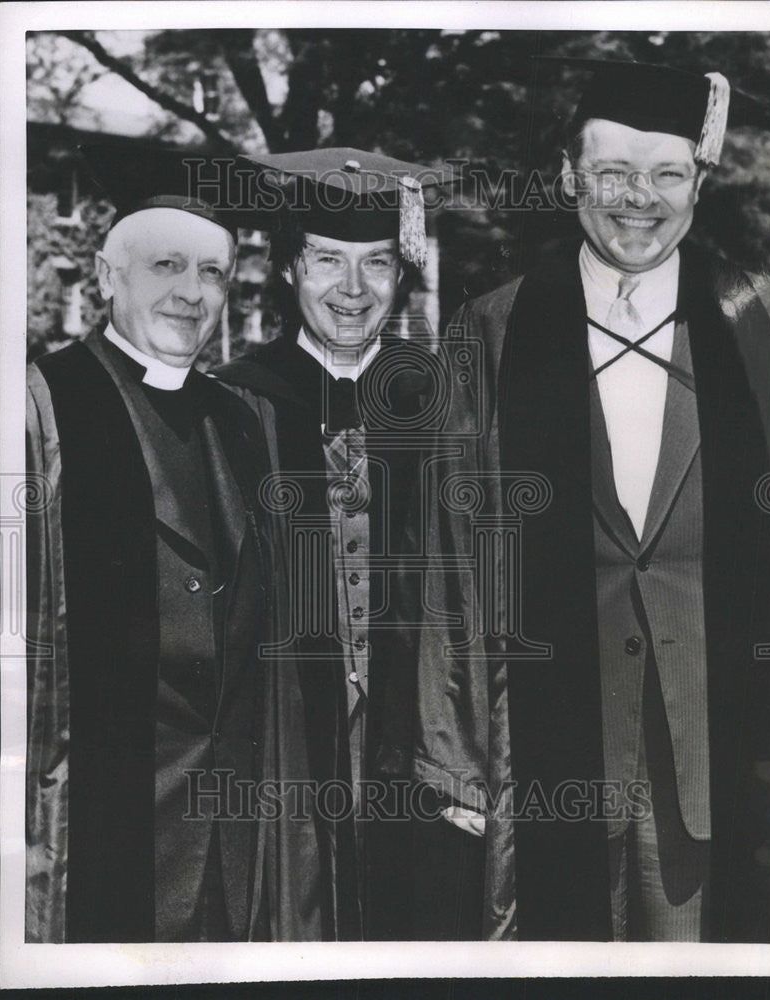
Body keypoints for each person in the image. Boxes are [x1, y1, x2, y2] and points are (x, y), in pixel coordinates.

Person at [412, 61, 770, 942]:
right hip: (542, 733)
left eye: (665, 173)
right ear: (569, 176)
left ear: (699, 180)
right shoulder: (493, 327)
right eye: (613, 172)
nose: (638, 199)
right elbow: (451, 547)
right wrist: (452, 751)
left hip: (714, 736)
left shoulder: (758, 323)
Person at [25, 144, 333, 942]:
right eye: (166, 264)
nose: (193, 294)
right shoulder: (39, 413)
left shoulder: (251, 422)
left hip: (238, 843)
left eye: (214, 274)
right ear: (106, 274)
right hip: (98, 829)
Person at [215, 148, 470, 939]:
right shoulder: (229, 405)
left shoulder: (440, 405)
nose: (354, 290)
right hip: (280, 738)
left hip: (414, 731)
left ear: (404, 274)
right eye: (328, 260)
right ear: (288, 270)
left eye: (378, 264)